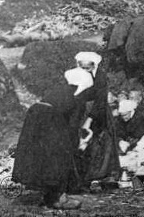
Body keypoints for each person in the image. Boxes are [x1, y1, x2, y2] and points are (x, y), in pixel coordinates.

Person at [12, 67, 94, 210]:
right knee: (60, 157)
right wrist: (78, 143)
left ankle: (48, 195)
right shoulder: (79, 96)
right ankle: (58, 198)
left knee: (44, 157)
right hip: (50, 119)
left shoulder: (60, 89)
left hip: (35, 115)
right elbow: (72, 127)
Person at [74, 52, 121, 187]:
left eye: (88, 68)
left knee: (101, 141)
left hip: (99, 112)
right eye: (82, 68)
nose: (85, 71)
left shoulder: (100, 77)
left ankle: (102, 174)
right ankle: (84, 175)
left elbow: (100, 100)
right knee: (83, 141)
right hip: (82, 110)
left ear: (93, 66)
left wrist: (89, 120)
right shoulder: (77, 76)